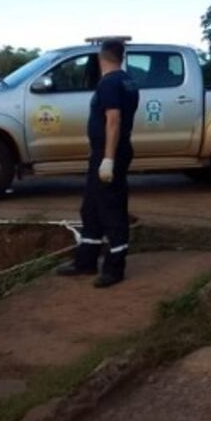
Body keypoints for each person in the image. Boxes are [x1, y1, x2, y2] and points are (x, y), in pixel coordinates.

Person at [56, 40, 139, 288]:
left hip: (109, 153)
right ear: (121, 57)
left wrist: (108, 159)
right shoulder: (128, 81)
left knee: (111, 209)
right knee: (91, 208)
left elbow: (113, 120)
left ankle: (115, 267)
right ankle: (86, 260)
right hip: (107, 152)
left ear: (101, 58)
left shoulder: (110, 83)